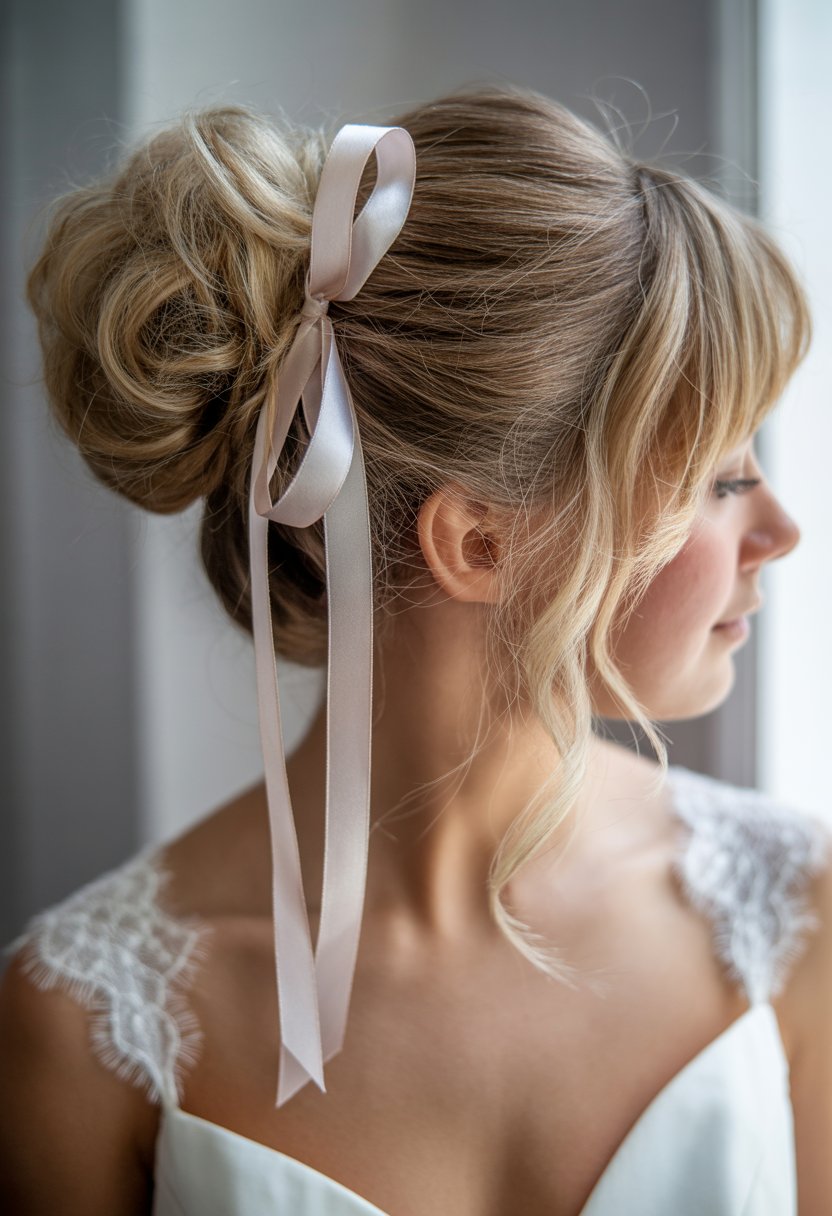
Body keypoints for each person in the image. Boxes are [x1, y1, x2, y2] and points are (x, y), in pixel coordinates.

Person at [0, 82, 830, 1216]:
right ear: (480, 542)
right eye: (721, 480)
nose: (780, 532)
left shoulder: (797, 916)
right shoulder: (83, 1021)